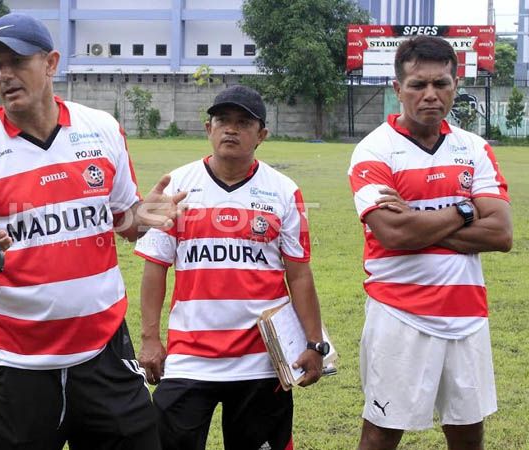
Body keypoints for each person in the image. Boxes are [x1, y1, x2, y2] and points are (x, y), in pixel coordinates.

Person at [0, 13, 184, 450]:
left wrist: (141, 217)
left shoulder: (101, 130)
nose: (4, 75)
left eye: (16, 61)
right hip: (19, 364)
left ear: (50, 63)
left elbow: (124, 222)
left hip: (104, 352)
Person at [134, 85, 327, 450]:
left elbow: (299, 274)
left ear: (262, 135)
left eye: (243, 122)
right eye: (223, 121)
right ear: (209, 128)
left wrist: (315, 343)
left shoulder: (284, 191)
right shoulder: (178, 186)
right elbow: (155, 267)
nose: (231, 130)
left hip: (261, 363)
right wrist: (149, 339)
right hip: (189, 359)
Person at [348, 36, 512, 450]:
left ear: (455, 86)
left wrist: (420, 222)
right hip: (399, 313)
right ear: (397, 88)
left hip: (466, 314)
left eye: (441, 84)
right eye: (418, 85)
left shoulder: (473, 148)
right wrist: (464, 209)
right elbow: (393, 234)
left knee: (468, 430)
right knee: (381, 433)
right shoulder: (375, 150)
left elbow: (501, 234)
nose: (430, 95)